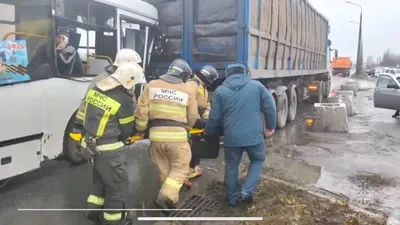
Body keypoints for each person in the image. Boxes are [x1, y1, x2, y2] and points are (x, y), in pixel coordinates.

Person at [205, 63, 276, 207]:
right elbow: (270, 107)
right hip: (254, 136)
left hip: (232, 137)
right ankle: (246, 192)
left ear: (227, 74)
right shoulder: (257, 86)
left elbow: (215, 117)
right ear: (245, 73)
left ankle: (232, 198)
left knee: (231, 166)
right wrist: (270, 126)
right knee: (257, 160)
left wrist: (208, 131)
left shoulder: (220, 90)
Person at [134, 59, 201, 209]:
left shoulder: (152, 85)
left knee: (164, 168)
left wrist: (141, 128)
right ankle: (165, 198)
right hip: (177, 137)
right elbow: (192, 116)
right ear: (184, 75)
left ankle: (171, 201)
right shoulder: (187, 90)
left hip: (156, 137)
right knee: (180, 168)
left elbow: (141, 110)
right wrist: (188, 128)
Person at [83, 62, 145, 225]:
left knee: (99, 182)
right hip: (109, 150)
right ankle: (114, 221)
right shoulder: (122, 98)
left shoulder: (96, 88)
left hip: (89, 145)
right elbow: (126, 130)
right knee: (116, 188)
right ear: (129, 80)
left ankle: (93, 212)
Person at [73, 49, 143, 132]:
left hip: (111, 126)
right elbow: (87, 102)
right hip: (103, 127)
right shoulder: (100, 79)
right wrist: (78, 124)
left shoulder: (127, 79)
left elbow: (131, 102)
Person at [184, 65, 220, 187]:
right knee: (187, 148)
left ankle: (192, 170)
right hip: (190, 118)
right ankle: (184, 174)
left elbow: (207, 104)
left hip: (197, 119)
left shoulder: (202, 86)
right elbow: (190, 102)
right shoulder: (193, 84)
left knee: (195, 146)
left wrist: (205, 118)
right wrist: (196, 120)